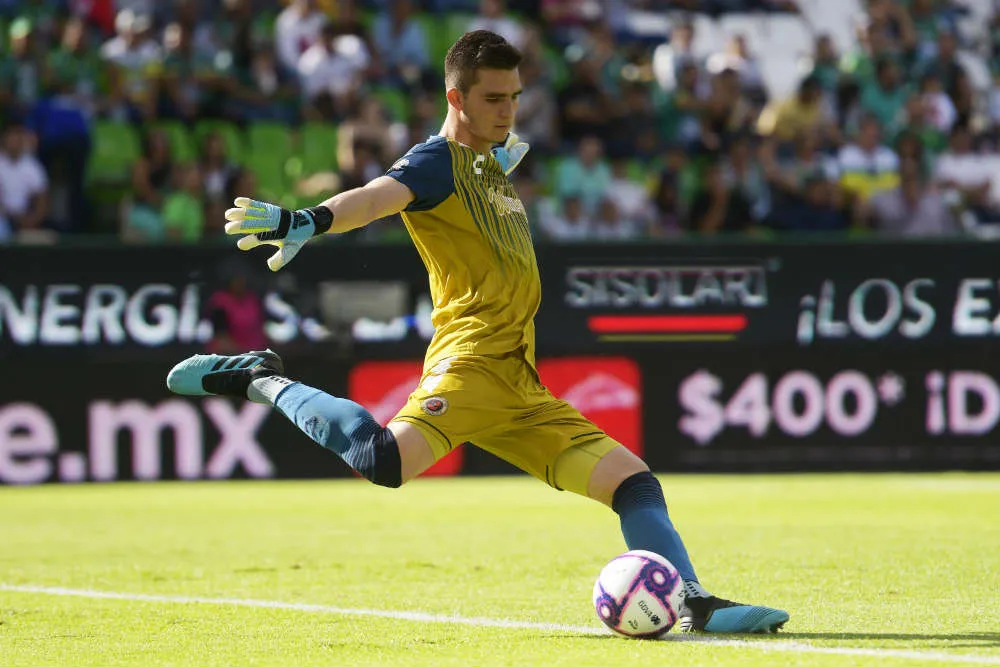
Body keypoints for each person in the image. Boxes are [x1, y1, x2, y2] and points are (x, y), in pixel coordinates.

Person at [166, 30, 788, 634]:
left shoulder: (490, 163)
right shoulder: (438, 162)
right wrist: (311, 218)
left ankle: (696, 602)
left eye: (515, 97)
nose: (508, 110)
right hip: (469, 367)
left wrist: (499, 150)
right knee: (383, 462)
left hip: (519, 383)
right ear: (456, 99)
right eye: (493, 99)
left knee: (633, 482)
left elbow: (492, 163)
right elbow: (378, 196)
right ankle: (261, 378)